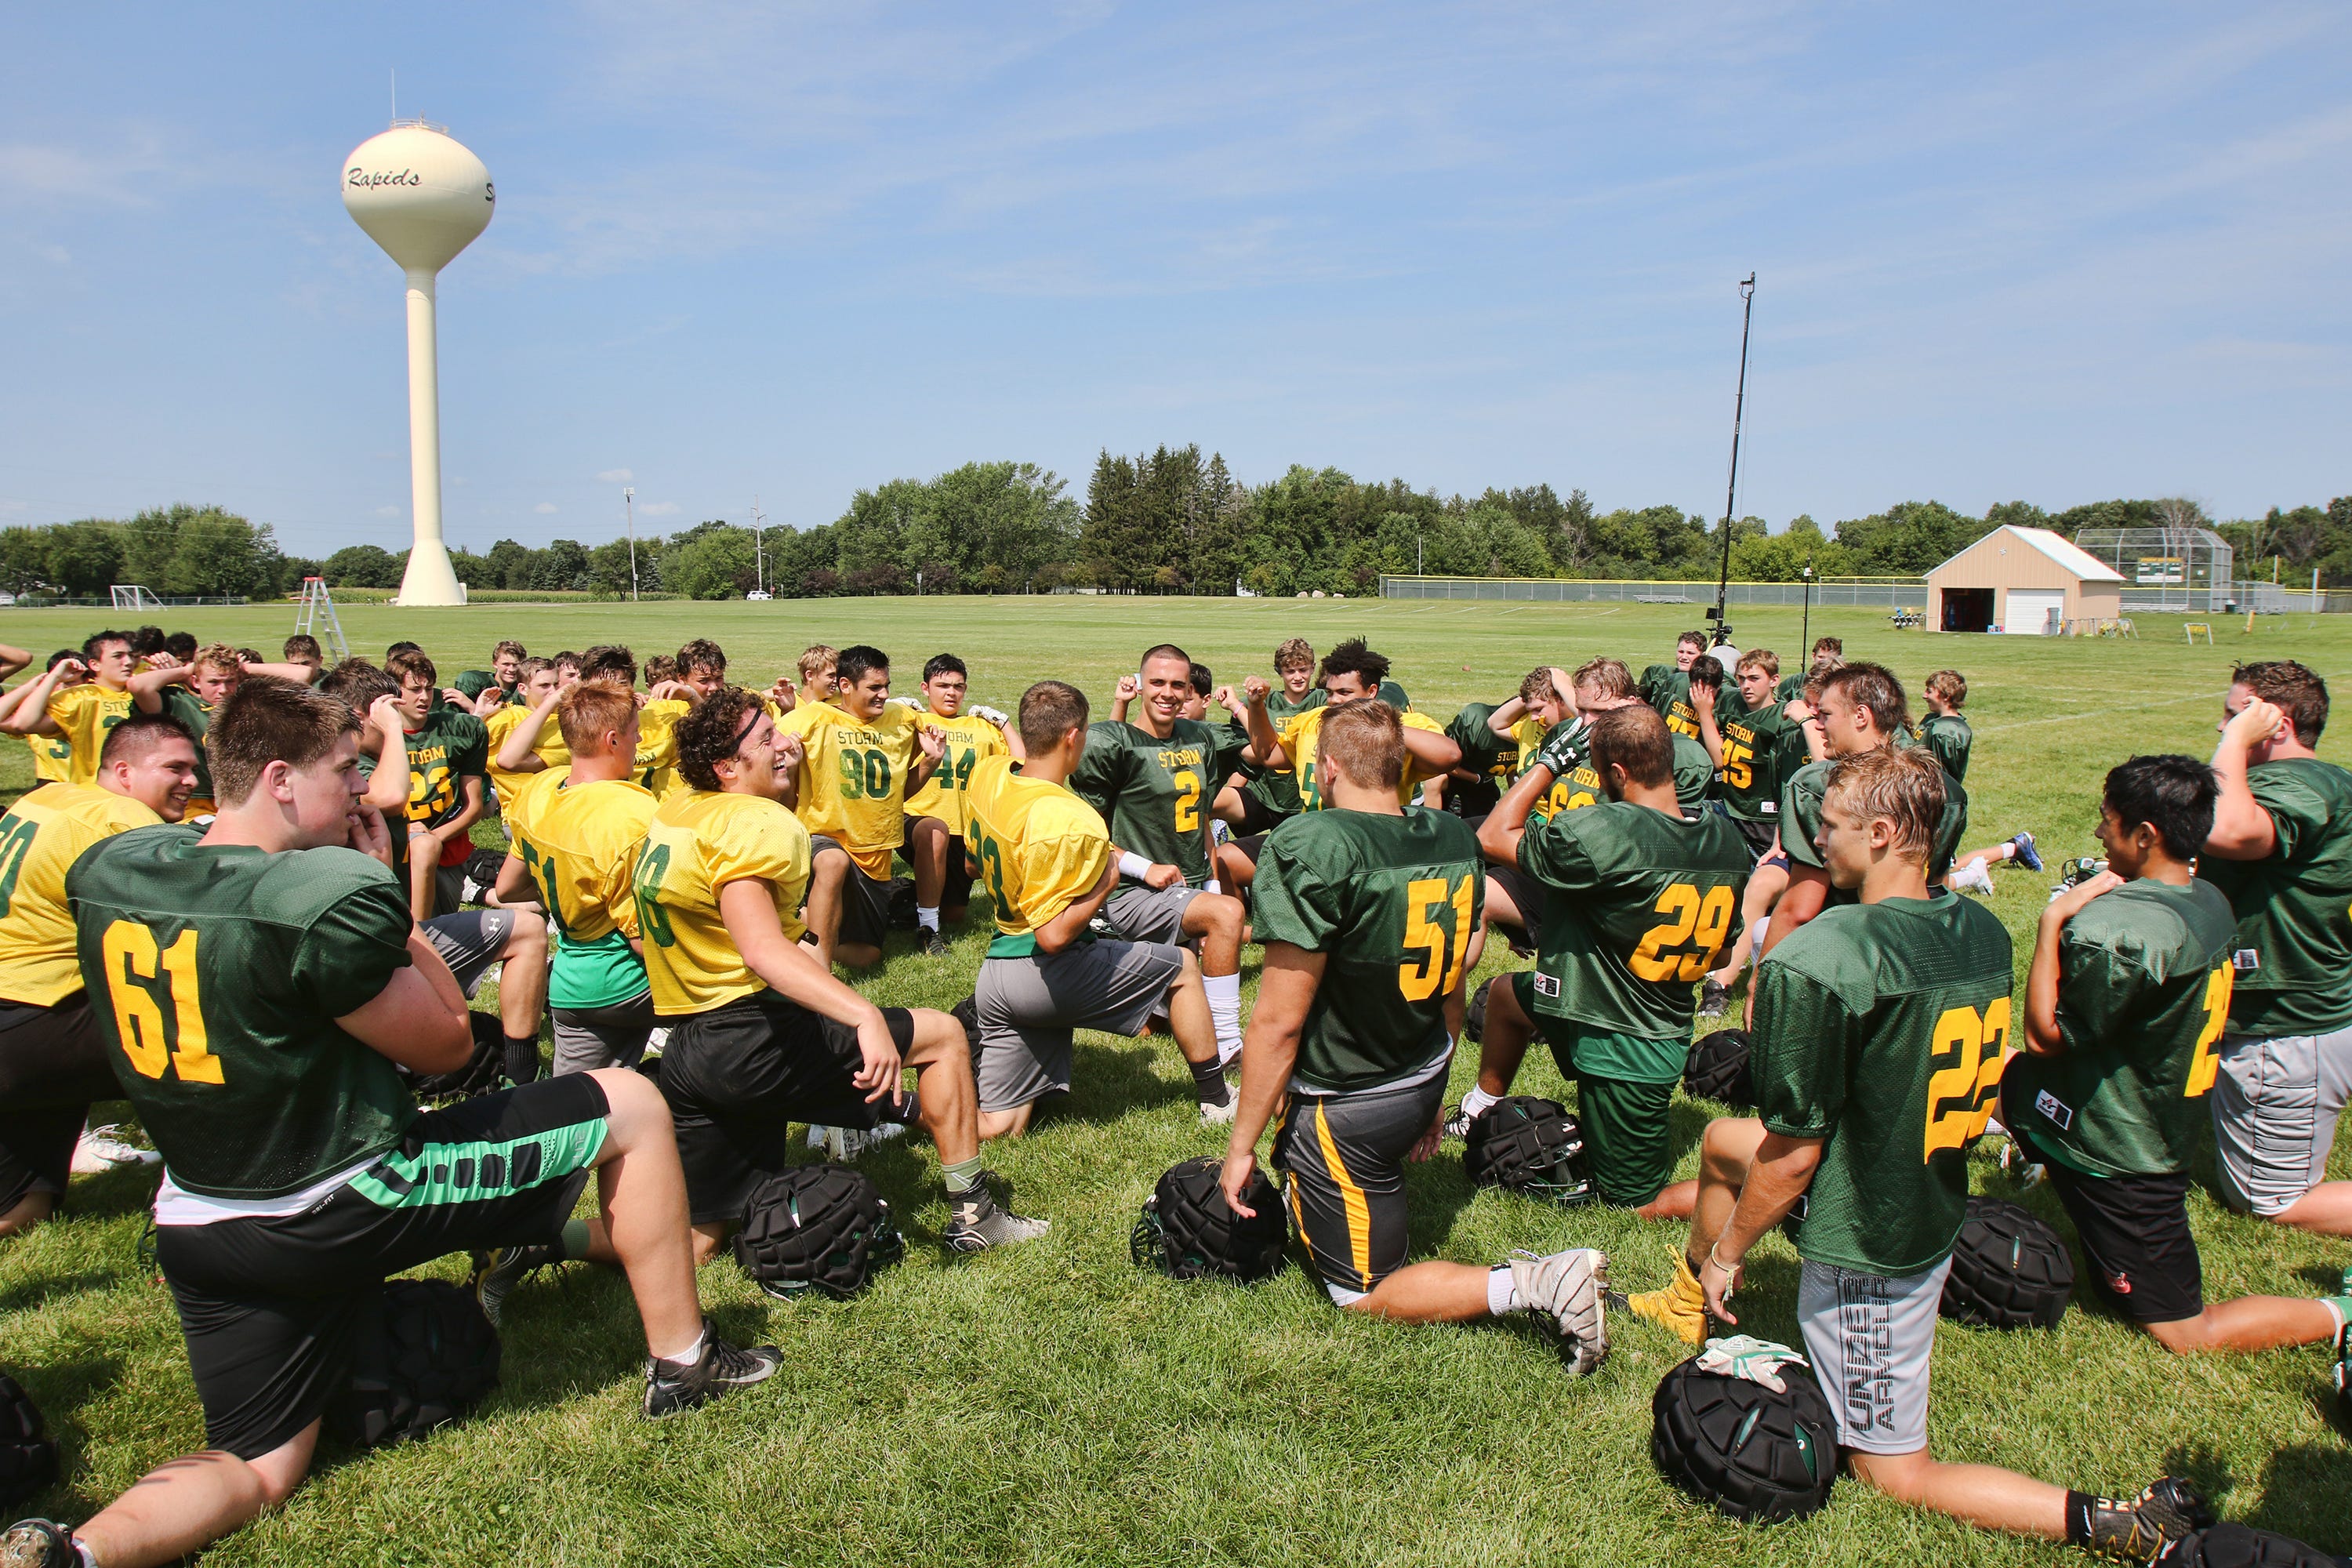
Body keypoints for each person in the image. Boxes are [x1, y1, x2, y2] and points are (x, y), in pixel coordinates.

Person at [2, 680, 778, 1568]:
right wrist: (387, 898)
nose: (366, 794)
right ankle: (685, 1361)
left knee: (261, 1465)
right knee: (632, 1102)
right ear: (283, 779)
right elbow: (448, 1044)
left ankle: (76, 1549)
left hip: (198, 1217)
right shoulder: (318, 892)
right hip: (336, 1194)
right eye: (346, 771)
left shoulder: (116, 866)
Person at [1625, 747, 2205, 1560]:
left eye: (1830, 827)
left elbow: (1794, 1151)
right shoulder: (1973, 924)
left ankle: (2110, 1520)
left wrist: (1728, 1253)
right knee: (1725, 1140)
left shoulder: (1825, 953)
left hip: (1876, 1231)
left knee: (1892, 1470)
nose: (1816, 840)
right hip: (1920, 1168)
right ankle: (1682, 1300)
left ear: (1885, 830)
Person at [1212, 700, 1609, 1356]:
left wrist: (1240, 1147)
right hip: (1423, 1069)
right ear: (1402, 768)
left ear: (1328, 766)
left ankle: (1540, 1282)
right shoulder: (1452, 837)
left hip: (1351, 1102)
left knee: (1364, 1291)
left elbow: (1278, 1025)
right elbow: (1453, 981)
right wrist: (1436, 1091)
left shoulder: (1312, 843)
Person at [633, 687, 1046, 1255]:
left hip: (691, 1051)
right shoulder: (753, 823)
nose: (788, 742)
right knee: (945, 1036)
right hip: (754, 1039)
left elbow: (755, 933)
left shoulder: (679, 808)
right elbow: (760, 949)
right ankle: (975, 1216)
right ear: (727, 767)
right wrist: (862, 1015)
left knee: (695, 1241)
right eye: (767, 739)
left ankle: (548, 1242)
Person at [2002, 754, 2352, 1353]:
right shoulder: (2209, 897)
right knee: (1970, 1071)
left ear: (2146, 835)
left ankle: (2340, 1309)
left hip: (2119, 1151)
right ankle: (2024, 1146)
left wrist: (2051, 921)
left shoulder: (2123, 934)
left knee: (2186, 1332)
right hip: (2073, 1103)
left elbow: (2043, 1036)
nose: (2097, 832)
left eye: (2106, 821)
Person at [1461, 705, 1749, 1219]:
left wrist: (1548, 763)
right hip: (1588, 1003)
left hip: (1628, 1046)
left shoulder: (1609, 832)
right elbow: (1724, 952)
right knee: (1507, 997)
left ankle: (1770, 1190)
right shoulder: (1722, 839)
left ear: (1616, 773)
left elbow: (1492, 835)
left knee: (1633, 1202)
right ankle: (1478, 1105)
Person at [964, 680, 1230, 1132]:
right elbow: (1053, 936)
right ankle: (1219, 1100)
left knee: (998, 1125)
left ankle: (886, 1115)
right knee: (1183, 966)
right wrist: (1103, 887)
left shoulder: (989, 775)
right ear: (1073, 736)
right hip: (1043, 974)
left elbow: (972, 866)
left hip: (995, 974)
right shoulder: (1071, 817)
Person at [0, 714, 198, 1238]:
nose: (191, 781)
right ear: (124, 771)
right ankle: (232, 1182)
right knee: (222, 1031)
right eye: (174, 768)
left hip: (22, 1016)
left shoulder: (49, 797)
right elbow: (196, 929)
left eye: (194, 769)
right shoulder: (123, 820)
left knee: (24, 1213)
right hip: (35, 1015)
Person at [2196, 660, 2352, 1238]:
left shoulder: (2297, 784)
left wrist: (2238, 740)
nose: (2221, 727)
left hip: (2286, 1028)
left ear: (2275, 725)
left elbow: (2227, 832)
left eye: (2234, 714)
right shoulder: (2329, 781)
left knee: (2268, 1198)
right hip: (2311, 1009)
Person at [1076, 644, 1254, 1066]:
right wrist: (1142, 866)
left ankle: (1157, 1001)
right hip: (1131, 890)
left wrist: (1211, 881)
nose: (1168, 693)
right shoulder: (1112, 741)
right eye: (1157, 682)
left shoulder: (1198, 737)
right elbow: (1085, 831)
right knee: (1228, 915)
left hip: (1187, 882)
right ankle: (1228, 1041)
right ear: (1139, 686)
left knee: (1166, 1002)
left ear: (1190, 689)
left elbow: (1203, 822)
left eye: (1178, 684)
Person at [1756, 662, 1967, 971]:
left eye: (1825, 715)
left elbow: (1798, 909)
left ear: (1860, 716)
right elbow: (1936, 886)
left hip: (1841, 955)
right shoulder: (1946, 790)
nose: (1817, 724)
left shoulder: (1818, 787)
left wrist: (1758, 985)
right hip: (1913, 953)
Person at [497, 681, 659, 1080]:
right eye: (635, 730)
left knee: (573, 1113)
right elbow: (645, 941)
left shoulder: (539, 791)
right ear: (612, 739)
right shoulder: (630, 809)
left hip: (571, 984)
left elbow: (507, 888)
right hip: (626, 981)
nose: (639, 738)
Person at [782, 644, 943, 971]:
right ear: (845, 686)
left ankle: (792, 922)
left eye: (886, 686)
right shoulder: (808, 720)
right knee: (832, 860)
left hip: (876, 849)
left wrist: (931, 760)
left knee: (866, 956)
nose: (884, 695)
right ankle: (820, 972)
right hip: (824, 838)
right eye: (874, 688)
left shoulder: (903, 720)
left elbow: (899, 792)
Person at [1241, 637, 1460, 816]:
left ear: (1372, 692)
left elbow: (1449, 756)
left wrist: (1378, 726)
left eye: (1345, 693)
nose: (1334, 700)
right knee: (1229, 857)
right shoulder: (1313, 720)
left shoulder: (1400, 724)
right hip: (1316, 834)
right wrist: (1257, 705)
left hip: (1372, 837)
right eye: (1330, 692)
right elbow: (1268, 756)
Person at [359, 648, 489, 920]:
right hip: (393, 848)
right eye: (414, 689)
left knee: (443, 931)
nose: (424, 697)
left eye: (429, 689)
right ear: (394, 693)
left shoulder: (461, 729)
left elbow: (474, 805)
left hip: (447, 847)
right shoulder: (374, 737)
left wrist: (436, 837)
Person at [902, 653, 1012, 954]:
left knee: (955, 914)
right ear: (925, 689)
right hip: (917, 819)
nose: (951, 693)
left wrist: (1004, 724)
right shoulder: (914, 720)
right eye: (942, 685)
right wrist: (891, 711)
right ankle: (929, 929)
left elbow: (1022, 763)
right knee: (933, 831)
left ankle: (899, 898)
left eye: (958, 686)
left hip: (963, 828)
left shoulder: (981, 727)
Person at [129, 644, 316, 818]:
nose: (223, 690)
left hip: (243, 800)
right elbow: (139, 686)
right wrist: (185, 670)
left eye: (230, 681)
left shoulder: (248, 703)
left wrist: (246, 670)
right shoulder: (181, 704)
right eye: (214, 682)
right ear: (196, 681)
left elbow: (303, 674)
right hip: (196, 801)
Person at [0, 630, 140, 783]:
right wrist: (47, 680)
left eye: (132, 656)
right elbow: (22, 723)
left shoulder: (145, 692)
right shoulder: (79, 698)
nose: (128, 662)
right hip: (82, 789)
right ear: (94, 664)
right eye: (117, 656)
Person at [1221, 637, 1323, 837]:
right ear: (1279, 671)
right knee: (1209, 802)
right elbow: (1245, 757)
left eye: (1303, 670)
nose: (1297, 677)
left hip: (1303, 801)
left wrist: (1236, 707)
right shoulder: (1265, 703)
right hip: (1263, 794)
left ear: (1313, 668)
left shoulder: (1323, 700)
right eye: (1290, 671)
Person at [484, 657, 566, 828]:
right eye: (544, 686)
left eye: (557, 685)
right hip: (522, 817)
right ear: (523, 689)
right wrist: (478, 715)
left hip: (562, 810)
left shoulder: (566, 720)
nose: (554, 691)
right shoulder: (507, 719)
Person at [0, 652, 86, 784]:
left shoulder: (93, 703)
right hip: (52, 782)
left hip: (90, 783)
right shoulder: (34, 712)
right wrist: (29, 688)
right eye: (57, 682)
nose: (61, 689)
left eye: (69, 683)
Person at [1638, 630, 1708, 739]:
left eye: (1690, 653)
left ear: (1702, 656)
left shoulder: (1707, 684)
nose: (1684, 657)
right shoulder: (1659, 673)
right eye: (1681, 651)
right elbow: (1640, 701)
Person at [1919, 669, 1973, 782]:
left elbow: (1942, 778)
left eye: (1929, 691)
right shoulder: (1931, 719)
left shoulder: (1947, 731)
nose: (1924, 696)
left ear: (1946, 696)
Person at [452, 640, 527, 711]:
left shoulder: (525, 688)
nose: (512, 669)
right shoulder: (476, 682)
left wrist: (472, 707)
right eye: (506, 664)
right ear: (495, 663)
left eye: (516, 665)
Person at [1777, 634, 1842, 702]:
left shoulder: (1843, 684)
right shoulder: (1794, 683)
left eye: (1831, 659)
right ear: (1814, 656)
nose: (1825, 661)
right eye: (1821, 657)